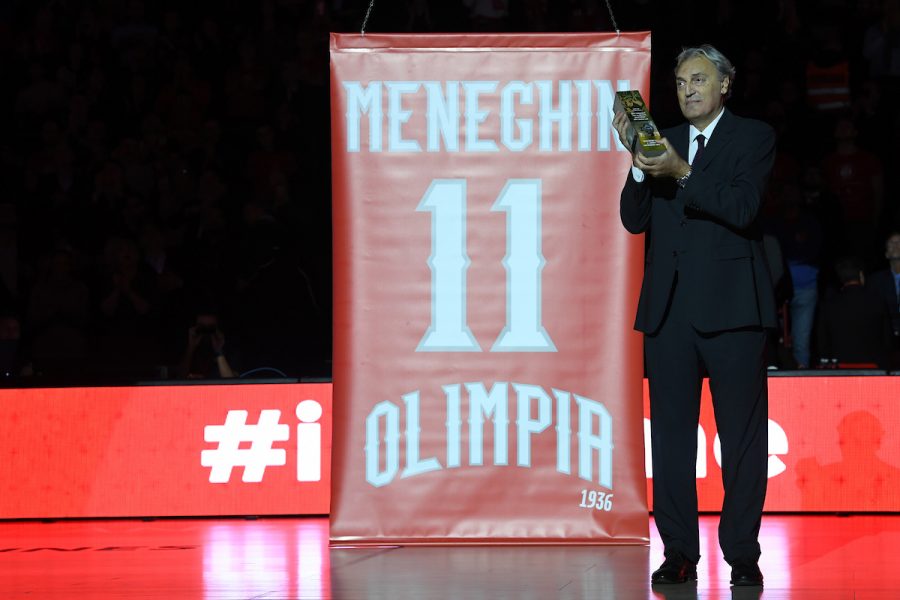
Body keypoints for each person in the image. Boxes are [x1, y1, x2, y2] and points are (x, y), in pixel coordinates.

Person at [615, 44, 776, 587]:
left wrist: (680, 170)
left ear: (724, 84)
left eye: (699, 80)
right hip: (669, 313)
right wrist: (640, 167)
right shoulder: (662, 140)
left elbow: (742, 207)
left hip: (734, 310)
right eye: (682, 82)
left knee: (742, 441)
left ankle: (742, 554)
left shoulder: (752, 137)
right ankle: (679, 552)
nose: (688, 90)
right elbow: (633, 220)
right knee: (671, 442)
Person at [816, 256, 892, 369]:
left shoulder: (828, 305)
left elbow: (822, 342)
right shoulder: (878, 302)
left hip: (840, 369)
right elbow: (888, 339)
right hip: (873, 368)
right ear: (861, 275)